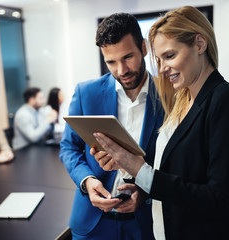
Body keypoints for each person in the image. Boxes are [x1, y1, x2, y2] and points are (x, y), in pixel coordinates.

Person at [92, 6, 229, 240]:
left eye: (170, 56)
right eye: (158, 59)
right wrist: (135, 176)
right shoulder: (183, 98)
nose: (162, 68)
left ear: (200, 44)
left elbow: (219, 200)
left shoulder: (227, 101)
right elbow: (178, 171)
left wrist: (140, 170)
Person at [60, 13, 163, 239]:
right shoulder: (86, 93)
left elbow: (177, 161)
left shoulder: (169, 97)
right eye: (111, 62)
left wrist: (146, 191)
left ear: (144, 48)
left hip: (145, 222)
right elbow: (68, 148)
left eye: (128, 57)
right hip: (92, 222)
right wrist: (87, 181)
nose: (121, 70)